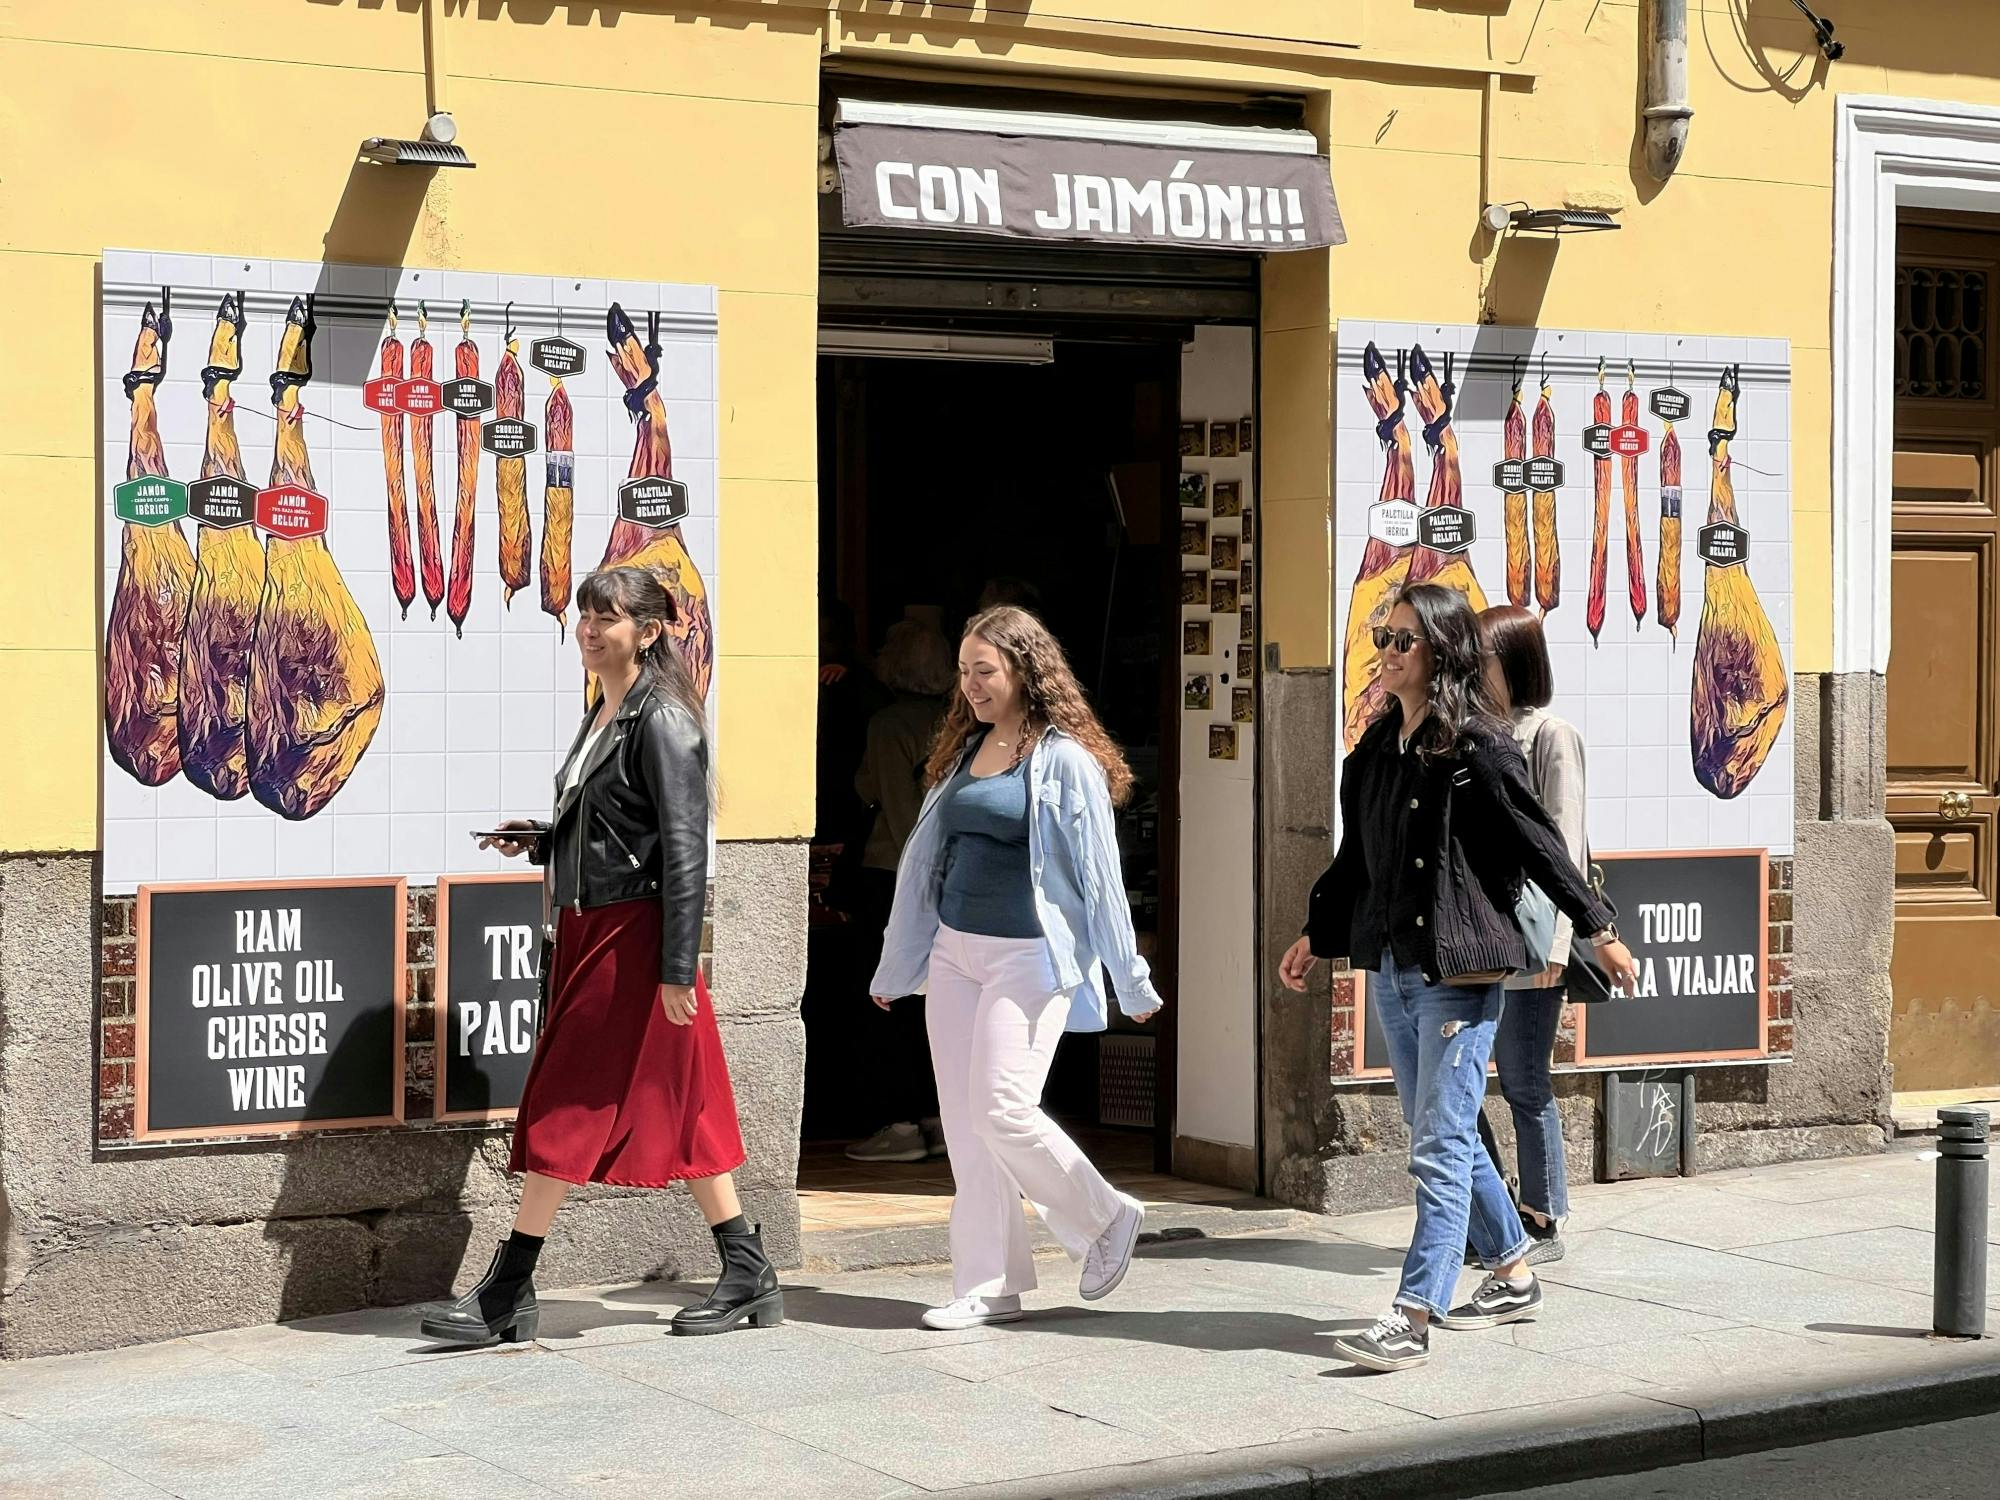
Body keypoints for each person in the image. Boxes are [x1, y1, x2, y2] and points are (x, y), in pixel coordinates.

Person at [1278, 584, 1637, 1373]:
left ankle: (1413, 1312)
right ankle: (1511, 1267)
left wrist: (1600, 929)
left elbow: (1543, 843)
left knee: (1438, 1143)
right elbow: (1355, 859)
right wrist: (1317, 930)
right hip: (1395, 967)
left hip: (1459, 970)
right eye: (1384, 635)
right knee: (1437, 1131)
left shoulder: (1477, 746)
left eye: (1404, 639)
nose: (1388, 650)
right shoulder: (1375, 749)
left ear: (1441, 651)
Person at [422, 566, 780, 1345]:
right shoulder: (609, 708)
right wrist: (546, 839)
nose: (588, 630)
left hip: (634, 935)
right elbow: (623, 824)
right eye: (585, 616)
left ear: (648, 633)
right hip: (592, 925)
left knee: (564, 1098)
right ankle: (747, 1268)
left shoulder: (663, 721)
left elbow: (686, 848)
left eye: (607, 619)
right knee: (678, 1100)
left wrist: (678, 967)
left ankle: (508, 1288)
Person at [871, 605, 1163, 1330]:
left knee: (1003, 1109)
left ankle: (1105, 1217)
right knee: (968, 1129)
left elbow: (1100, 875)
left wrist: (1130, 977)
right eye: (964, 671)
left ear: (1025, 671)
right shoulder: (966, 746)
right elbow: (927, 865)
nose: (970, 684)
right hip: (955, 954)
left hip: (1031, 958)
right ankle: (987, 1283)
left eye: (985, 670)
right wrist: (896, 965)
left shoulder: (1063, 759)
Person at [1474, 605, 1589, 1264]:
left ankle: (1543, 1217)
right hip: (1481, 938)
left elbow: (1563, 845)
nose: (1473, 670)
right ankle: (1493, 1219)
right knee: (1459, 1088)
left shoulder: (1551, 736)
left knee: (1522, 1079)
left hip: (1533, 937)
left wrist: (1556, 945)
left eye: (1483, 659)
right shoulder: (1477, 732)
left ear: (1513, 661)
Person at [845, 616, 957, 1163]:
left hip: (894, 872)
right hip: (949, 875)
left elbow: (892, 800)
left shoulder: (889, 724)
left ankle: (900, 1123)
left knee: (886, 995)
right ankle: (935, 1117)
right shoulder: (955, 722)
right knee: (932, 1001)